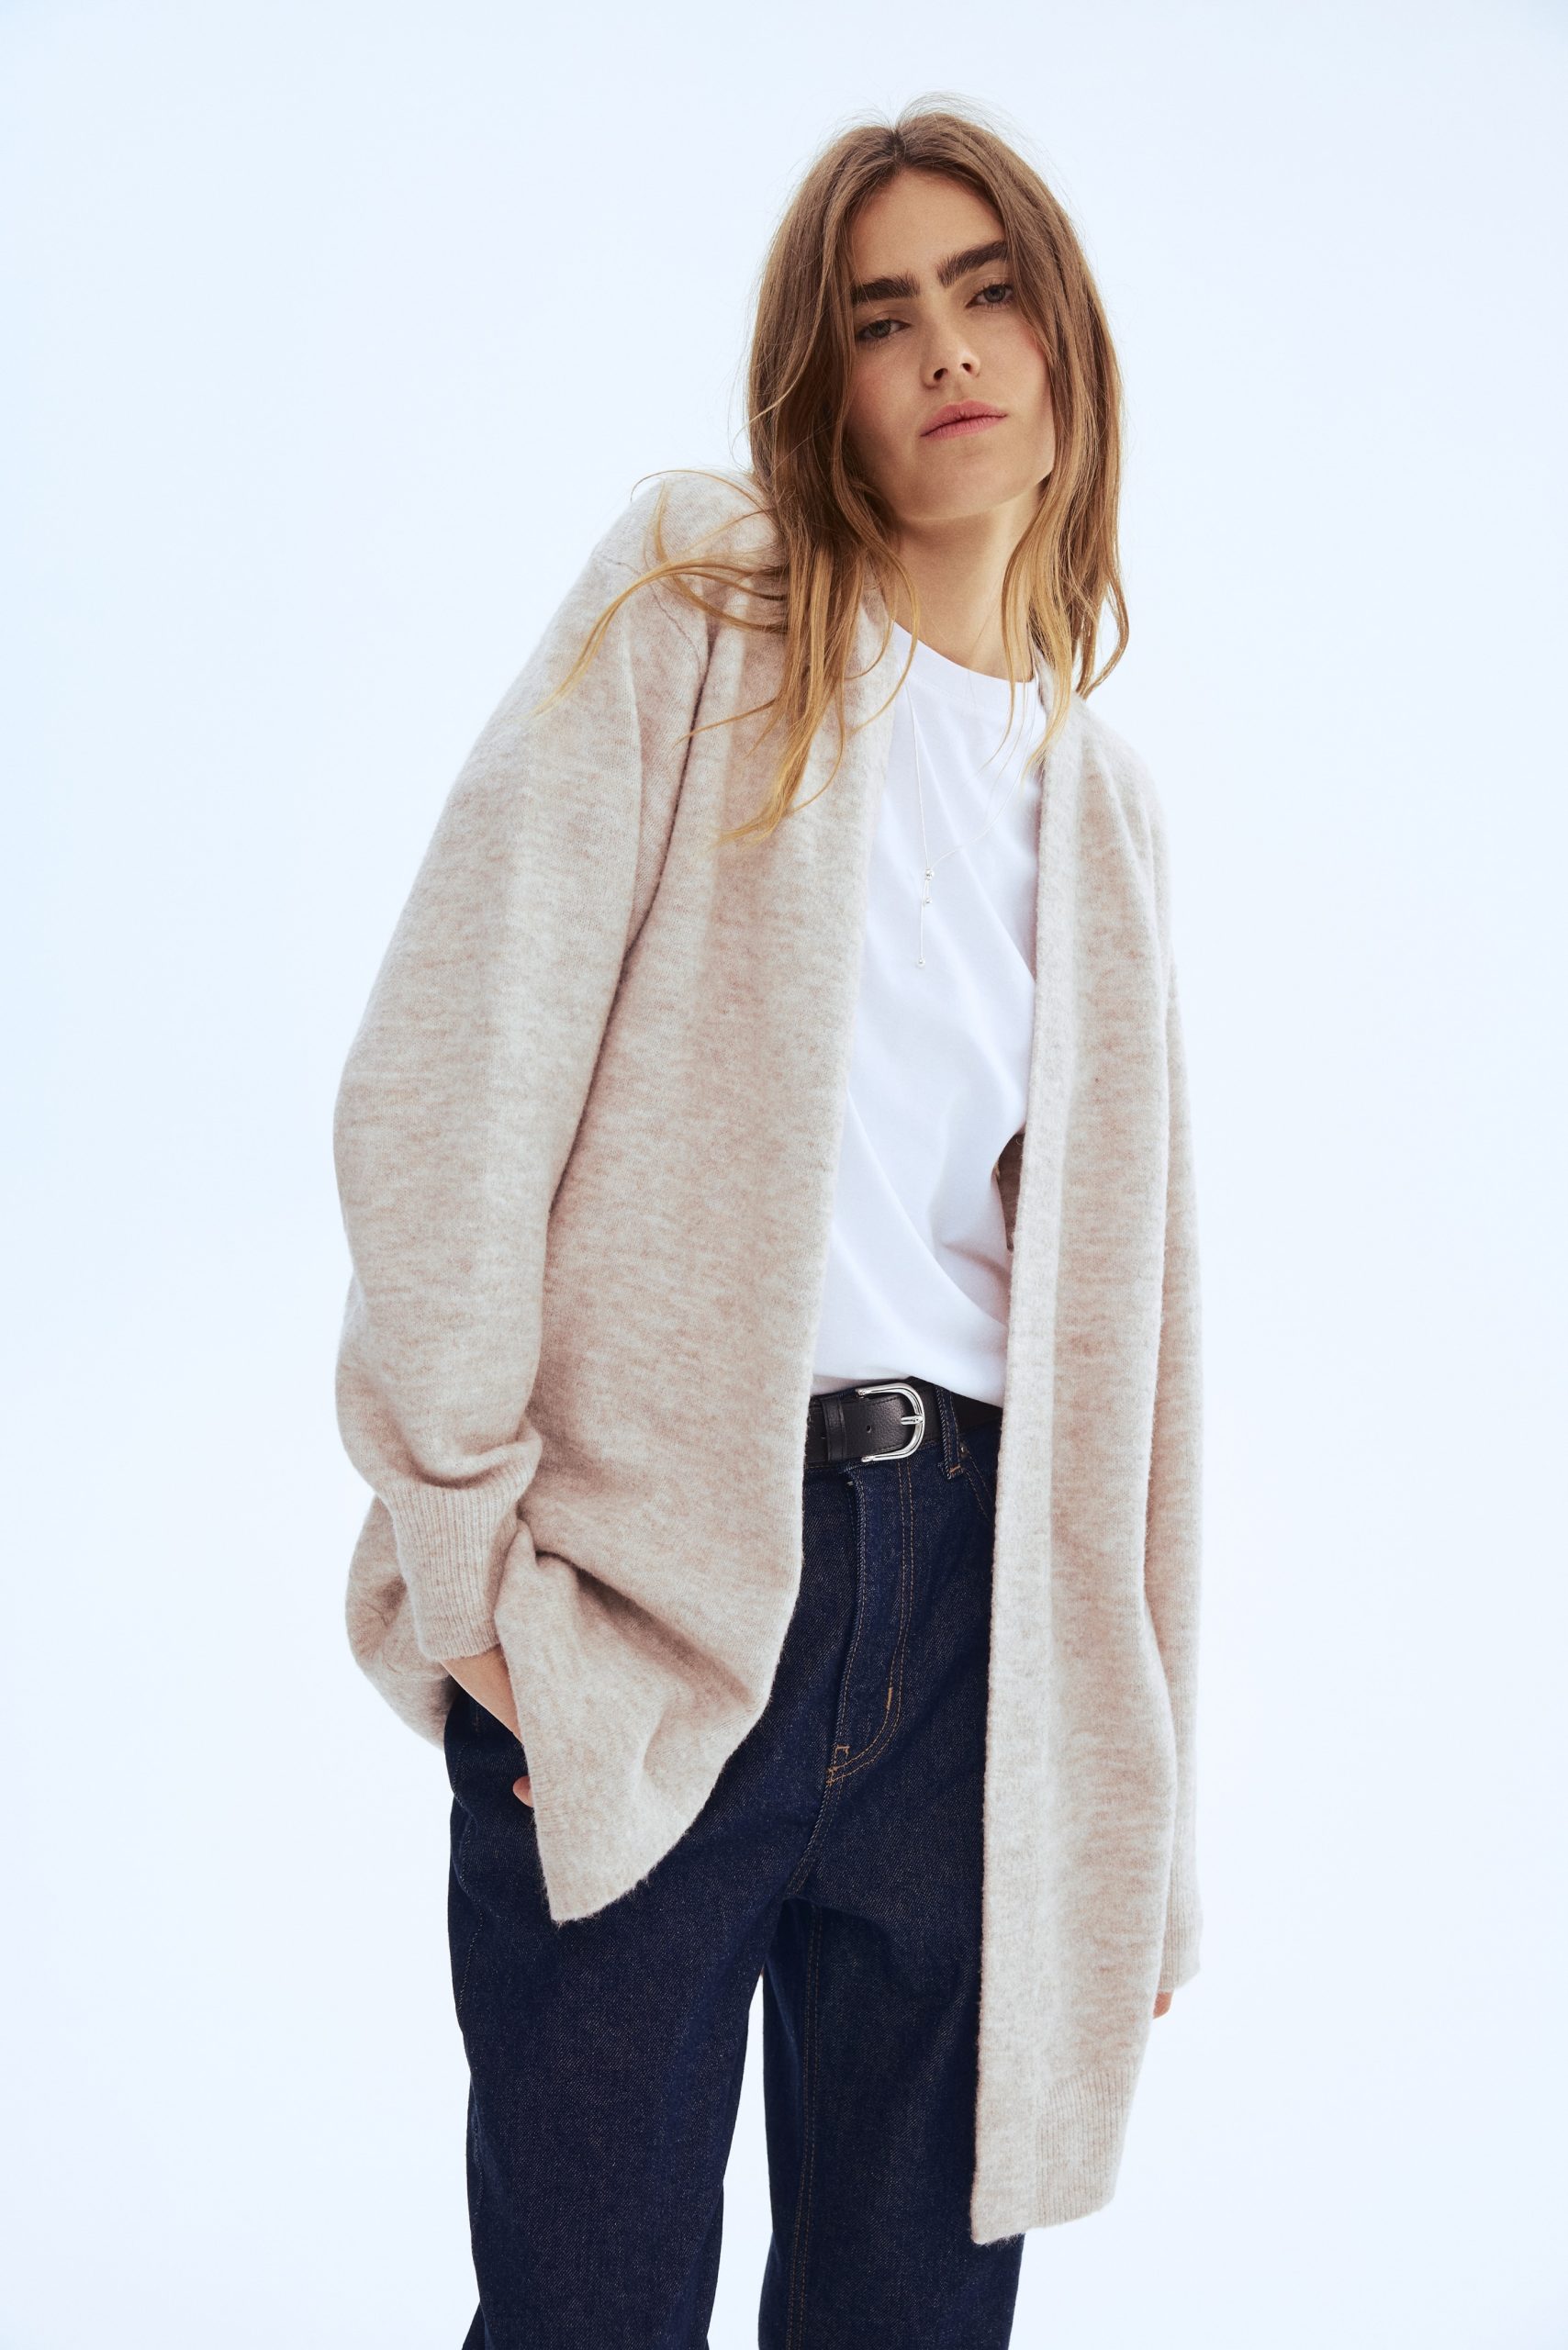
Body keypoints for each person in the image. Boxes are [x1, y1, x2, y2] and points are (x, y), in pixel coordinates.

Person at [333, 97, 1203, 2350]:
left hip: (980, 1649)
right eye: (879, 315)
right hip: (656, 1600)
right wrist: (470, 1571)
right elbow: (449, 1072)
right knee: (588, 2310)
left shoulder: (1099, 813)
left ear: (1064, 342)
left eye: (986, 291)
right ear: (821, 382)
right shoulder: (702, 607)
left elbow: (1137, 1362)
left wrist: (1133, 1798)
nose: (945, 349)